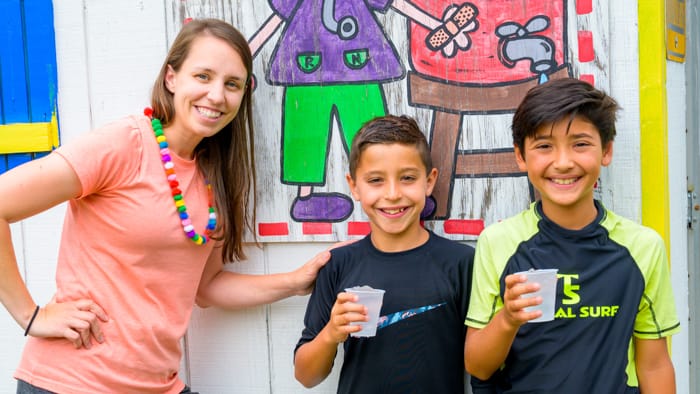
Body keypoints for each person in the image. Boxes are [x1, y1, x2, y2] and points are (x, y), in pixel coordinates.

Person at [0, 19, 338, 394]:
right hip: (72, 382)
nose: (216, 95)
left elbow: (206, 287)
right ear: (171, 78)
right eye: (203, 76)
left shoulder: (214, 178)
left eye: (231, 84)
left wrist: (295, 282)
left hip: (156, 384)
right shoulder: (124, 144)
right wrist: (30, 316)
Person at [464, 78, 680, 393]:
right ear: (521, 156)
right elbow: (478, 366)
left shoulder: (642, 247)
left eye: (580, 143)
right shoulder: (499, 242)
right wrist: (509, 319)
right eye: (544, 146)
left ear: (606, 151)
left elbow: (655, 364)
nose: (563, 163)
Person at [293, 115, 474, 393]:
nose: (392, 194)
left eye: (407, 178)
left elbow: (483, 362)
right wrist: (332, 332)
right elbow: (306, 376)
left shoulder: (461, 263)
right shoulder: (339, 265)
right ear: (354, 186)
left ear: (429, 181)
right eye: (376, 180)